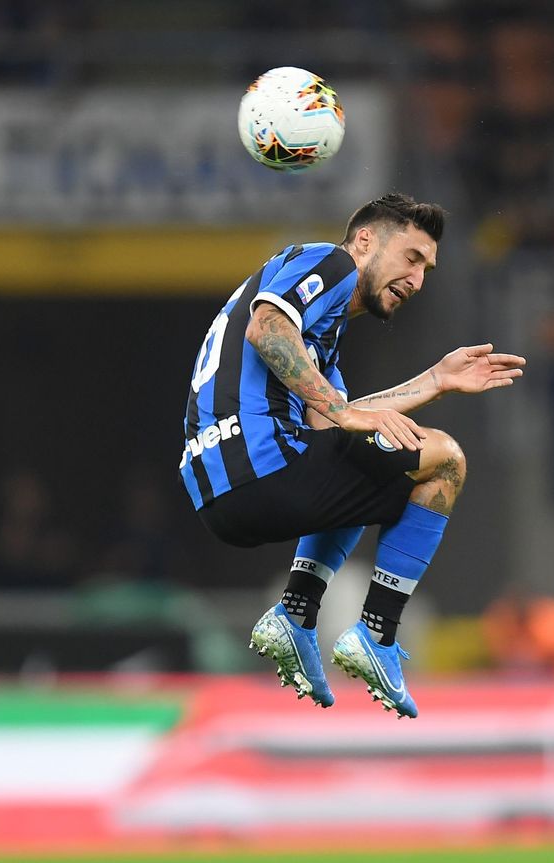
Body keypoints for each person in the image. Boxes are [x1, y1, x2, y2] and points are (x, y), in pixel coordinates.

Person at [179, 193, 526, 718]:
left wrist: (436, 380)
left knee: (370, 459)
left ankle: (296, 614)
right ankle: (377, 631)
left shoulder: (322, 339)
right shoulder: (331, 261)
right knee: (445, 459)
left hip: (222, 496)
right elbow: (267, 328)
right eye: (412, 258)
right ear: (366, 240)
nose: (418, 280)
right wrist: (341, 415)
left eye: (428, 269)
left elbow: (340, 420)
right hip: (258, 466)